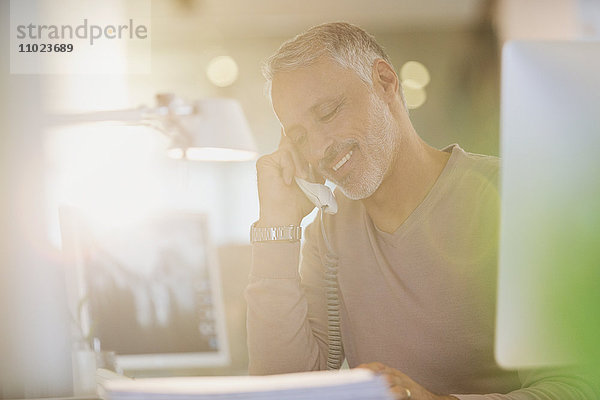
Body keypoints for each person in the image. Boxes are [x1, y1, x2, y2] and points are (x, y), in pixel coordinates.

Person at [245, 22, 598, 400]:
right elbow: (281, 389)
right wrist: (277, 231)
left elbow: (579, 386)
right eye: (298, 136)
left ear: (384, 82)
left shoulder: (519, 198)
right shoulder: (327, 234)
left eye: (328, 112)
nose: (316, 150)